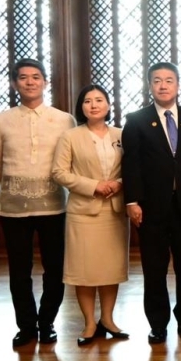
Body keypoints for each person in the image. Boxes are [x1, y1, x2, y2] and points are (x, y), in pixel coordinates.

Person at [0, 58, 75, 347]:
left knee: (55, 268)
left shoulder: (64, 119)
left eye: (35, 77)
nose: (29, 82)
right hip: (14, 207)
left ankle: (47, 322)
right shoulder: (1, 120)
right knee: (19, 269)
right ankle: (26, 326)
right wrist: (16, 190)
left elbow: (69, 162)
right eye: (23, 77)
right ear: (15, 83)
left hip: (54, 205)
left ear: (45, 82)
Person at [121, 62, 181, 345]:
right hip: (151, 208)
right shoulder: (136, 120)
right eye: (157, 81)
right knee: (154, 270)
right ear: (150, 86)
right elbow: (130, 165)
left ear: (178, 85)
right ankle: (158, 324)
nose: (163, 85)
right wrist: (131, 201)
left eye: (169, 80)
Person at [51, 84, 130, 346]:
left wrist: (119, 182)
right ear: (81, 107)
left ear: (108, 105)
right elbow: (59, 173)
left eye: (99, 100)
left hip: (115, 210)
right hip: (83, 211)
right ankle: (89, 323)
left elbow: (134, 165)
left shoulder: (122, 134)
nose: (93, 105)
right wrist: (93, 186)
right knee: (84, 270)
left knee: (110, 268)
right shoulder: (70, 136)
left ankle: (107, 319)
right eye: (87, 101)